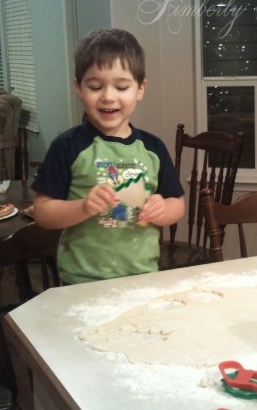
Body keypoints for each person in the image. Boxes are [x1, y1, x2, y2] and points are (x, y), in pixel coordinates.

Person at [32, 28, 185, 284]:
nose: (108, 96)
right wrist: (83, 207)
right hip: (82, 280)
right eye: (95, 86)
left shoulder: (153, 148)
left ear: (140, 89)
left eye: (122, 86)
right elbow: (43, 212)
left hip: (142, 275)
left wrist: (163, 208)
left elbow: (177, 204)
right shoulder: (67, 146)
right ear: (78, 88)